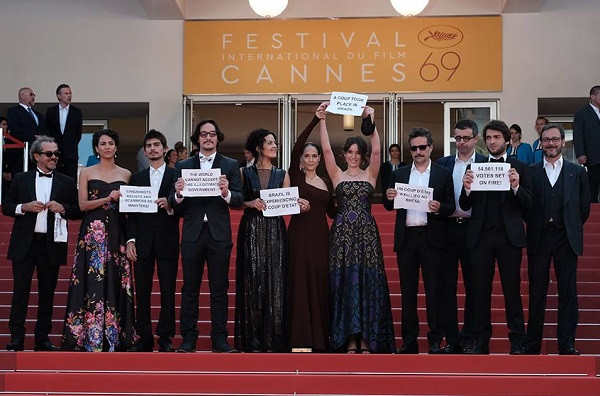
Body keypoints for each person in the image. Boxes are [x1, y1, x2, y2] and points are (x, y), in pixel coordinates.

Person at [319, 103, 395, 354]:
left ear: (361, 156)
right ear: (345, 155)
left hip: (366, 237)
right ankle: (349, 339)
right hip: (341, 236)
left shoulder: (370, 175)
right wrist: (322, 119)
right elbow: (326, 150)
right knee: (345, 284)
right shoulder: (337, 175)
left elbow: (377, 150)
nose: (353, 156)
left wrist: (371, 122)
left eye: (357, 152)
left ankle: (366, 340)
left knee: (365, 283)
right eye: (349, 152)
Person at [459, 120, 532, 355]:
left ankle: (518, 341)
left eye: (497, 138)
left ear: (507, 140)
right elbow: (464, 203)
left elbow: (529, 205)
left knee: (512, 291)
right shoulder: (475, 166)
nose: (492, 142)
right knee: (480, 292)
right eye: (489, 138)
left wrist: (516, 187)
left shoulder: (520, 167)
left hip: (509, 238)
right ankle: (481, 341)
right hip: (480, 238)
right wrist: (467, 188)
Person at [170, 119, 243, 353]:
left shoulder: (230, 165)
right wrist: (178, 195)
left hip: (219, 235)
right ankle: (188, 338)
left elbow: (239, 199)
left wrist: (226, 193)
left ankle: (220, 339)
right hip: (192, 234)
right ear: (197, 138)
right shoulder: (183, 166)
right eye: (203, 134)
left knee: (219, 288)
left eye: (212, 134)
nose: (208, 138)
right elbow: (175, 206)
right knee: (190, 288)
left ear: (218, 137)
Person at [2, 136, 79, 351]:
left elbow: (76, 211)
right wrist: (23, 207)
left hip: (50, 244)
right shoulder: (20, 178)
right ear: (36, 156)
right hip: (25, 244)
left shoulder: (67, 181)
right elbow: (6, 206)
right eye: (49, 154)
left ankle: (42, 339)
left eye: (56, 153)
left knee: (47, 293)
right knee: (20, 292)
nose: (54, 157)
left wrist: (61, 207)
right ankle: (16, 337)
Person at [61, 129, 136, 352]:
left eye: (111, 143)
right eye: (102, 143)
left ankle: (116, 336)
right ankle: (88, 338)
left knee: (114, 278)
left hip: (116, 231)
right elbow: (83, 205)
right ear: (96, 148)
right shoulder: (86, 172)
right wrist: (106, 198)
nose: (106, 147)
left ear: (116, 147)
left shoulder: (126, 174)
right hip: (92, 234)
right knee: (90, 280)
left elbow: (130, 208)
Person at [383, 128, 455, 354]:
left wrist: (439, 208)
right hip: (407, 237)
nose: (418, 151)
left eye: (422, 147)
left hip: (432, 238)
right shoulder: (400, 174)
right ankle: (409, 340)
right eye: (413, 148)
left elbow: (451, 205)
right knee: (408, 292)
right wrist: (388, 197)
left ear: (431, 148)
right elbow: (389, 205)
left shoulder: (443, 174)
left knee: (434, 291)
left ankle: (435, 340)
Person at [525, 123, 591, 355]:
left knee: (568, 293)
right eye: (546, 140)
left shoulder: (577, 172)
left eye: (555, 139)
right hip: (539, 237)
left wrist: (569, 227)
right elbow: (526, 206)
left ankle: (567, 344)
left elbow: (583, 208)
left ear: (563, 142)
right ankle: (532, 344)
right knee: (536, 292)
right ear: (540, 143)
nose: (550, 143)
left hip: (566, 238)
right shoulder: (530, 171)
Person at [235, 128, 298, 353]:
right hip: (251, 228)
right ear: (258, 147)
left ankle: (274, 341)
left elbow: (288, 203)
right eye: (269, 143)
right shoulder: (244, 172)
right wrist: (251, 203)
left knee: (275, 283)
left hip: (275, 230)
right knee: (252, 282)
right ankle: (252, 342)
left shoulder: (283, 174)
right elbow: (235, 201)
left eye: (275, 143)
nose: (274, 146)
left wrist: (297, 203)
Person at [287, 103, 336, 352]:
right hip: (297, 237)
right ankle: (299, 340)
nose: (309, 159)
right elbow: (297, 145)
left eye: (314, 156)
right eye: (306, 156)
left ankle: (319, 339)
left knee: (318, 283)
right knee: (299, 283)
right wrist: (315, 120)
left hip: (320, 239)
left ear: (319, 158)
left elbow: (332, 213)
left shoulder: (327, 183)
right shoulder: (295, 177)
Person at [436, 119, 487, 353]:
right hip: (446, 229)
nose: (462, 142)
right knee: (446, 288)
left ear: (476, 139)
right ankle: (452, 339)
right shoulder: (442, 164)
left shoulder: (487, 165)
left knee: (474, 286)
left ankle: (470, 338)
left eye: (466, 138)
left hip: (474, 231)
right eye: (458, 138)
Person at [126, 130, 180, 352]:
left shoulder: (176, 176)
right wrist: (130, 240)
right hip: (143, 242)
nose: (153, 149)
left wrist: (170, 206)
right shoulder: (136, 178)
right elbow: (131, 213)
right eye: (148, 146)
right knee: (143, 292)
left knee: (168, 291)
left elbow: (185, 208)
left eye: (157, 145)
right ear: (145, 151)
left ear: (165, 149)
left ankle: (166, 338)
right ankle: (144, 338)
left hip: (167, 239)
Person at [45, 84, 83, 180]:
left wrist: (71, 144)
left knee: (71, 178)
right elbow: (48, 129)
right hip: (55, 151)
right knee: (55, 177)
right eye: (66, 93)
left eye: (70, 93)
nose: (69, 96)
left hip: (71, 152)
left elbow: (78, 133)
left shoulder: (76, 112)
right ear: (59, 96)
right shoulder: (51, 111)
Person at [6, 87, 46, 174]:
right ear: (22, 96)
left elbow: (44, 129)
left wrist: (42, 137)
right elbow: (15, 129)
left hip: (36, 153)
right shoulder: (14, 111)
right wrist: (33, 137)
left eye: (34, 95)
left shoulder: (39, 115)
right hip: (21, 153)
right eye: (31, 94)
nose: (33, 97)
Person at [574, 85, 600, 203]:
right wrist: (580, 153)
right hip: (592, 156)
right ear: (593, 96)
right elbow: (578, 135)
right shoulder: (582, 113)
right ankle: (592, 209)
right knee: (592, 185)